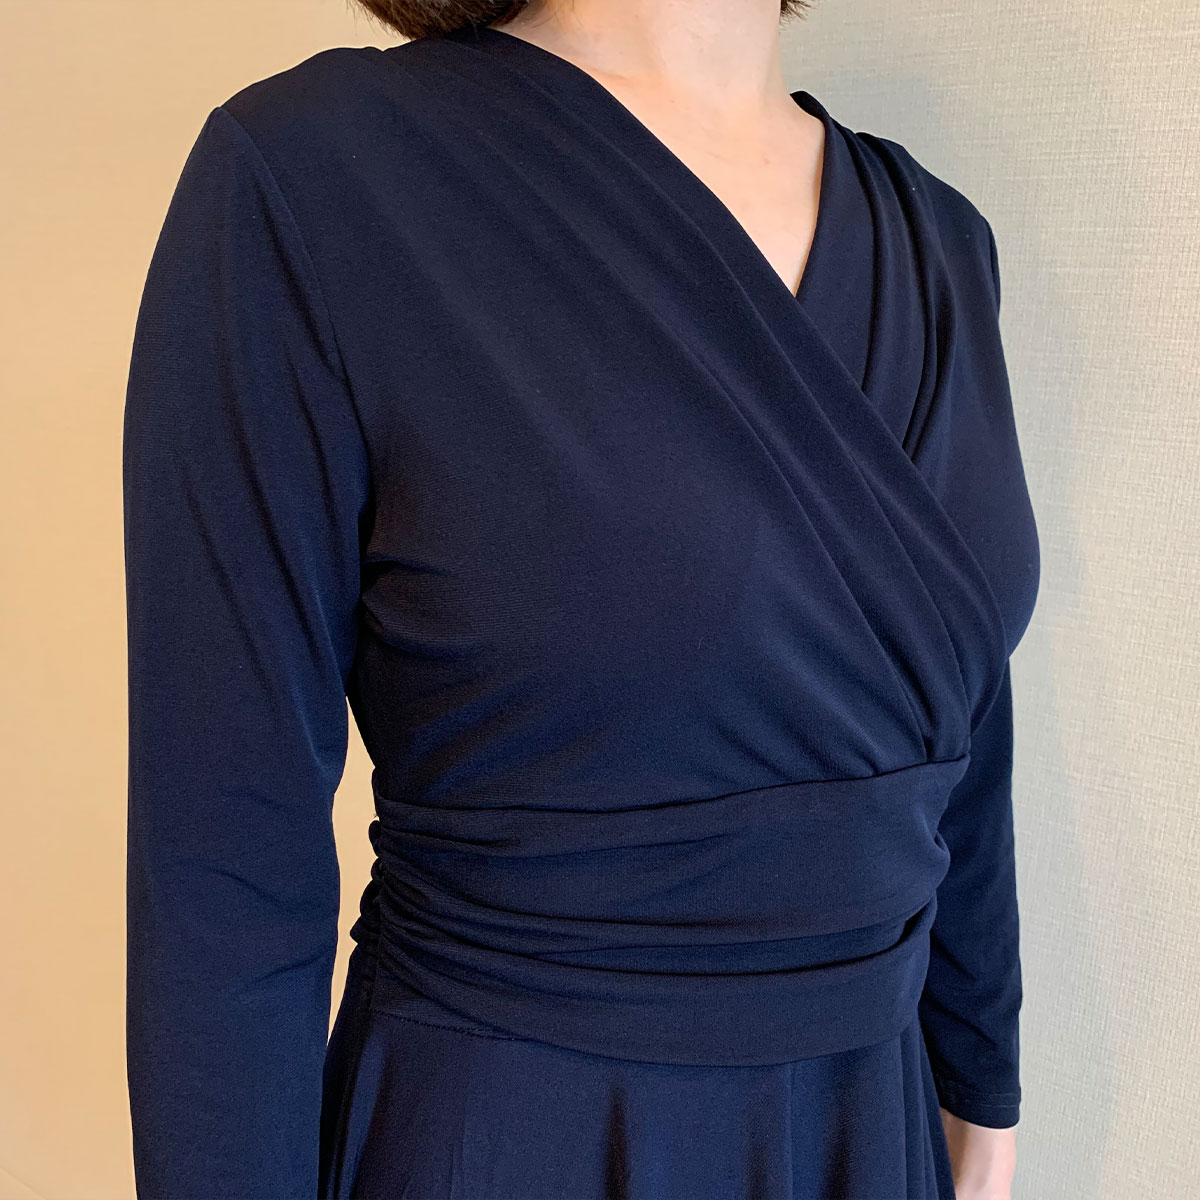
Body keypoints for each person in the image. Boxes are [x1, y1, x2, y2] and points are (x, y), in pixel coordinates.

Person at [122, 1, 1041, 1197]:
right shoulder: (319, 180)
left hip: (874, 1123)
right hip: (521, 1130)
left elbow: (958, 716)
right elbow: (225, 872)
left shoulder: (942, 244)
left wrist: (983, 1096)